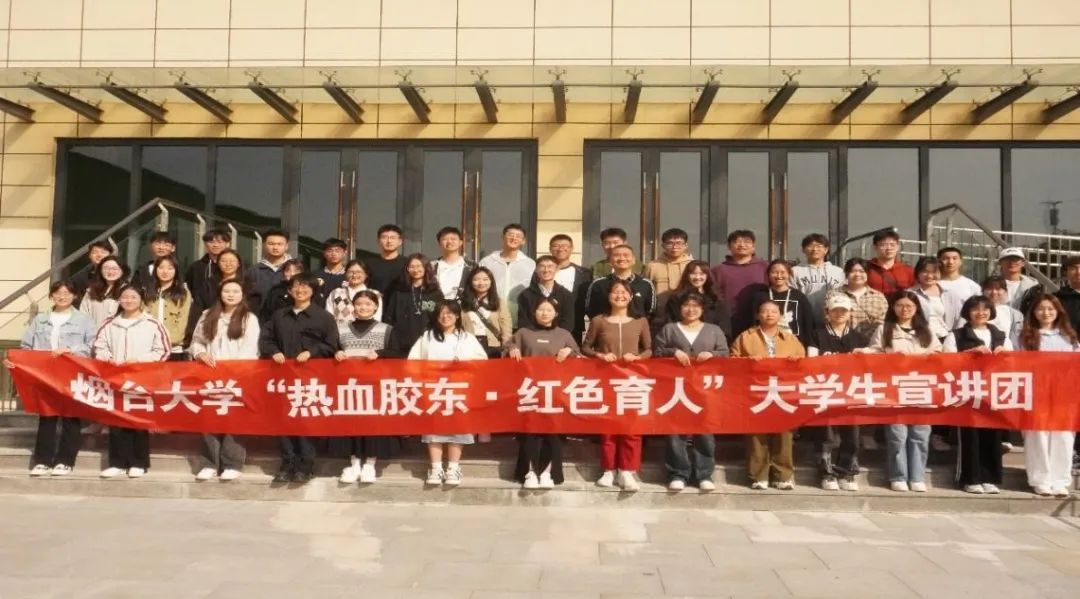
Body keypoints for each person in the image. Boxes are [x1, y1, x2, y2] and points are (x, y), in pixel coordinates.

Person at [258, 273, 340, 484]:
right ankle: (287, 463)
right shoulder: (279, 315)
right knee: (283, 421)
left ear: (313, 291)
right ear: (289, 291)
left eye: (305, 287)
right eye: (296, 286)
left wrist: (311, 352)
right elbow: (266, 339)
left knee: (306, 421)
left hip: (310, 379)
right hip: (282, 377)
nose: (300, 290)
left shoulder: (324, 317)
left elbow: (331, 345)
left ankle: (306, 465)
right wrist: (274, 351)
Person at [8, 281, 95, 477]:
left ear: (75, 296)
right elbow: (26, 346)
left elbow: (91, 346)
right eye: (57, 293)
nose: (62, 296)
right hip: (45, 375)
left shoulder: (84, 320)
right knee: (47, 417)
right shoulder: (40, 319)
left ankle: (65, 461)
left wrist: (71, 350)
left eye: (67, 293)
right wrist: (20, 362)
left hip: (72, 373)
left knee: (71, 418)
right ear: (51, 296)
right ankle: (42, 461)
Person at [653, 292, 730, 492]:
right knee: (675, 431)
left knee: (705, 430)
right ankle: (678, 473)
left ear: (702, 309)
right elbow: (656, 351)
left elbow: (725, 354)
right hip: (676, 388)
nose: (691, 309)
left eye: (696, 306)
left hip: (705, 388)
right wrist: (673, 352)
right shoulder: (669, 329)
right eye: (686, 305)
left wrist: (711, 354)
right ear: (680, 309)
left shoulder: (713, 330)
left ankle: (704, 474)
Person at [867, 290, 942, 492]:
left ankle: (917, 476)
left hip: (921, 388)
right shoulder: (884, 329)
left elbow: (939, 355)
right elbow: (874, 352)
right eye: (900, 305)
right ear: (893, 308)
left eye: (909, 306)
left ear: (917, 308)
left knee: (920, 434)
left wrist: (924, 359)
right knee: (897, 434)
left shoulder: (927, 331)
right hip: (894, 389)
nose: (904, 309)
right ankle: (898, 475)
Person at [581, 280, 651, 492]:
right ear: (609, 296)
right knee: (608, 428)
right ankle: (609, 469)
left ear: (631, 297)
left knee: (632, 428)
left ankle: (627, 470)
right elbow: (586, 347)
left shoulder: (640, 321)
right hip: (606, 379)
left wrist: (637, 357)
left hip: (632, 381)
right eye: (615, 292)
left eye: (624, 292)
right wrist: (600, 355)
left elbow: (649, 349)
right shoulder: (598, 321)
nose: (619, 295)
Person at [408, 299, 488, 486]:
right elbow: (413, 360)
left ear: (457, 315)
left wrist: (465, 364)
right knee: (433, 428)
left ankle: (453, 467)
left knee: (457, 428)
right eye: (441, 313)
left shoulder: (467, 338)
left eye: (450, 313)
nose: (445, 316)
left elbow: (482, 361)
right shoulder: (427, 337)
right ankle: (435, 467)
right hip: (434, 389)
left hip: (459, 389)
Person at [94, 284, 169, 479]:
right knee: (116, 420)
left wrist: (140, 361)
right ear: (119, 300)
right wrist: (107, 359)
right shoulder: (110, 323)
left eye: (133, 297)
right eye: (125, 297)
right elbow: (99, 346)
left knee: (138, 420)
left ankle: (139, 462)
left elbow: (162, 351)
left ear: (141, 300)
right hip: (115, 378)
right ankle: (117, 462)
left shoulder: (152, 323)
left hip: (142, 379)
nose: (129, 300)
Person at [188, 280, 259, 482]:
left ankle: (232, 463)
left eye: (236, 291)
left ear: (242, 294)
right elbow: (196, 342)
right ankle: (209, 463)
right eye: (227, 291)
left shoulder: (249, 318)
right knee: (209, 418)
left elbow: (251, 349)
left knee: (235, 419)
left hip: (238, 377)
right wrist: (200, 353)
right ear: (220, 293)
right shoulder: (207, 315)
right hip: (210, 376)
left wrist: (233, 370)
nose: (231, 294)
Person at [506, 297, 581, 489]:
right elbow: (506, 348)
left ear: (556, 314)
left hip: (555, 392)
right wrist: (512, 349)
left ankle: (548, 472)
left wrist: (569, 352)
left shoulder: (564, 334)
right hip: (530, 391)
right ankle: (530, 472)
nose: (545, 313)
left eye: (549, 310)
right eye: (541, 309)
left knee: (553, 433)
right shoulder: (523, 333)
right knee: (529, 432)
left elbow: (579, 357)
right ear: (534, 313)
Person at [731, 300, 805, 490]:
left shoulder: (790, 339)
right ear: (758, 315)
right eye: (764, 311)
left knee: (784, 434)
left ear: (780, 315)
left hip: (784, 392)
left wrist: (796, 361)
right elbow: (732, 361)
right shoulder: (746, 337)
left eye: (774, 311)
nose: (769, 314)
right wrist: (747, 362)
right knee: (756, 435)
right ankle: (758, 475)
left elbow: (804, 363)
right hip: (755, 392)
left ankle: (783, 475)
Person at [942, 295, 1012, 494]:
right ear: (967, 312)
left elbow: (1013, 362)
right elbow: (946, 361)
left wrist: (1004, 355)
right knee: (970, 436)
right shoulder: (957, 335)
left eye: (985, 309)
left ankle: (989, 478)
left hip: (993, 392)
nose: (981, 313)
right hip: (967, 392)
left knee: (993, 436)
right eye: (976, 309)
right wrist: (970, 353)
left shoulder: (1000, 335)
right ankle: (970, 478)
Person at [332, 290, 401, 484]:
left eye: (368, 304)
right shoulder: (340, 329)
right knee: (350, 424)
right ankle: (353, 464)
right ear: (353, 306)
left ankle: (370, 464)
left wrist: (381, 354)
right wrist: (336, 353)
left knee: (374, 425)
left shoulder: (387, 329)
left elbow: (398, 353)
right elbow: (330, 349)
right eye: (359, 303)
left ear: (376, 307)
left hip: (376, 387)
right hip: (348, 386)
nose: (363, 307)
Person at [805, 294, 870, 491]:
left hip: (852, 391)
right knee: (826, 435)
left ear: (850, 313)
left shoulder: (859, 338)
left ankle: (847, 472)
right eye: (835, 310)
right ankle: (826, 473)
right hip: (825, 390)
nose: (839, 314)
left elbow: (868, 365)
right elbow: (812, 362)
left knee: (852, 434)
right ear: (827, 313)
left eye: (844, 310)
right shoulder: (817, 335)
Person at [1017, 294, 1079, 497]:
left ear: (1058, 311)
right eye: (1041, 309)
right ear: (1034, 312)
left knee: (1063, 436)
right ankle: (1040, 479)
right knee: (1038, 435)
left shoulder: (1069, 337)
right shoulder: (1025, 337)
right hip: (1036, 392)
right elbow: (1017, 364)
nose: (1046, 313)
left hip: (1064, 394)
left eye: (1050, 309)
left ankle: (1060, 480)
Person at [710, 230, 768, 337]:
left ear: (754, 246)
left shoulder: (765, 268)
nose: (741, 245)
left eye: (746, 242)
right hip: (728, 322)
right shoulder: (718, 270)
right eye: (736, 242)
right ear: (729, 246)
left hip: (758, 320)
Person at [384, 254, 444, 355]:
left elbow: (440, 318)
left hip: (427, 342)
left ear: (426, 268)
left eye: (419, 266)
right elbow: (388, 318)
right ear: (407, 269)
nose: (415, 270)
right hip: (400, 344)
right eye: (412, 266)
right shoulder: (398, 292)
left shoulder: (435, 293)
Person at [479, 223, 535, 328]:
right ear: (502, 237)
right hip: (491, 314)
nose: (514, 238)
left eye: (518, 236)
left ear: (523, 241)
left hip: (520, 316)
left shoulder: (530, 264)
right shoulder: (487, 261)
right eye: (510, 235)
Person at [659, 260, 732, 340]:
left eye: (701, 274)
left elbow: (724, 328)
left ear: (707, 276)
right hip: (682, 342)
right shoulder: (676, 299)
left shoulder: (716, 299)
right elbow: (671, 324)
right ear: (687, 275)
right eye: (693, 273)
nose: (697, 277)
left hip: (711, 343)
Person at [185, 248, 243, 346]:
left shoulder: (248, 284)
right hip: (212, 329)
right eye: (223, 261)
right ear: (218, 264)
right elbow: (198, 308)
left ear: (238, 264)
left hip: (240, 328)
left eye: (232, 261)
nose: (228, 264)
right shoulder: (208, 284)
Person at [749, 259, 814, 346]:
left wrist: (809, 346)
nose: (779, 276)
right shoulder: (760, 296)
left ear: (789, 274)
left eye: (783, 272)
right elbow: (753, 323)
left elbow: (808, 323)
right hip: (765, 344)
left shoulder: (799, 296)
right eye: (774, 272)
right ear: (768, 275)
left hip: (794, 345)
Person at [584, 245, 656, 320]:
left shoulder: (646, 284)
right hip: (606, 326)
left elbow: (651, 311)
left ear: (634, 260)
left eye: (626, 255)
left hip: (637, 326)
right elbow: (590, 310)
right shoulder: (598, 284)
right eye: (617, 255)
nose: (622, 258)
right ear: (610, 261)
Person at [143, 255, 192, 359]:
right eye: (161, 267)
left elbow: (183, 320)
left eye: (170, 268)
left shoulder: (183, 293)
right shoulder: (147, 291)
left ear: (176, 271)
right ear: (155, 270)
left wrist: (167, 340)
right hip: (149, 348)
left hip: (174, 349)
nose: (165, 271)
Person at [792, 233, 845, 327]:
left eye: (819, 246)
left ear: (826, 250)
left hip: (833, 320)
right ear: (803, 249)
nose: (814, 249)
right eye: (810, 246)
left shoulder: (838, 271)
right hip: (804, 320)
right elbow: (792, 297)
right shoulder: (795, 271)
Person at [826, 258, 888, 337]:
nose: (857, 274)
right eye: (853, 271)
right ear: (846, 274)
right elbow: (827, 319)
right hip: (840, 339)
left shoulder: (878, 297)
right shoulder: (834, 294)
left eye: (862, 271)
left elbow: (883, 322)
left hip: (871, 341)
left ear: (867, 274)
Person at [460, 266, 512, 358]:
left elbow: (506, 326)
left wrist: (507, 346)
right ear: (470, 282)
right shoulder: (463, 303)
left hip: (492, 345)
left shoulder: (499, 302)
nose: (481, 283)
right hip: (469, 344)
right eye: (476, 279)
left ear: (491, 282)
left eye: (485, 279)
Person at [908, 256, 963, 342]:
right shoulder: (909, 294)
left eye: (934, 272)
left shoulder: (949, 294)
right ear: (917, 273)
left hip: (945, 337)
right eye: (925, 272)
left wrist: (955, 339)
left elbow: (959, 319)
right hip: (918, 339)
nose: (929, 276)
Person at [549, 234, 592, 342]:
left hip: (574, 325)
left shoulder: (584, 273)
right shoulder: (542, 271)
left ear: (571, 248)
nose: (560, 249)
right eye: (556, 246)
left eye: (565, 246)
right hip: (546, 323)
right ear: (550, 249)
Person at [517, 255, 575, 332]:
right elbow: (523, 321)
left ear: (557, 269)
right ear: (536, 270)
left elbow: (568, 322)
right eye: (542, 266)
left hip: (559, 337)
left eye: (550, 266)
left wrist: (555, 336)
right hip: (532, 337)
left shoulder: (566, 295)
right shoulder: (525, 295)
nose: (546, 270)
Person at [185, 227, 232, 314]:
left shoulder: (232, 266)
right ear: (205, 244)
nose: (215, 245)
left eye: (219, 242)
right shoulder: (196, 267)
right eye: (211, 242)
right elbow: (188, 289)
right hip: (200, 311)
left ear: (227, 244)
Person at [244, 228, 292, 313]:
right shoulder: (254, 271)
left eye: (280, 244)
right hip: (260, 318)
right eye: (271, 244)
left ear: (287, 246)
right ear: (264, 245)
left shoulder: (297, 270)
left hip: (288, 317)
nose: (275, 247)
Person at [326, 259, 383, 324]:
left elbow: (377, 319)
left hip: (368, 330)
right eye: (351, 272)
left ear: (366, 274)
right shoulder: (335, 293)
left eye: (359, 272)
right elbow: (329, 318)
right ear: (345, 274)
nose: (354, 275)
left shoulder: (375, 294)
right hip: (339, 330)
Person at [79, 255, 128, 329]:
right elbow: (83, 315)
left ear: (122, 271)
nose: (110, 272)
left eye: (115, 269)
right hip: (93, 333)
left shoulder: (128, 291)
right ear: (100, 270)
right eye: (106, 268)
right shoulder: (91, 291)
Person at [643, 227, 694, 295]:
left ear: (686, 245)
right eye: (670, 243)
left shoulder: (692, 265)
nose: (674, 247)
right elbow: (644, 290)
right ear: (663, 245)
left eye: (679, 243)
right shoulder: (652, 266)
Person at [361, 224, 408, 296]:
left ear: (400, 241)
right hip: (374, 301)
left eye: (393, 238)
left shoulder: (407, 263)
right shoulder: (368, 263)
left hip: (400, 302)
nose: (389, 241)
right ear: (378, 241)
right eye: (384, 237)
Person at [258, 259, 310, 323]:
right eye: (288, 270)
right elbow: (265, 314)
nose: (292, 274)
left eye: (296, 271)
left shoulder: (308, 290)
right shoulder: (275, 291)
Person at [431, 226, 476, 300]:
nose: (449, 242)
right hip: (438, 305)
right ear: (439, 243)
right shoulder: (431, 266)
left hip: (464, 305)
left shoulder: (472, 266)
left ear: (460, 242)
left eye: (453, 239)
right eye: (445, 239)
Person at [866, 230, 915, 296]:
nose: (889, 248)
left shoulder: (908, 270)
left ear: (898, 247)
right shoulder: (866, 268)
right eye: (883, 245)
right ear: (875, 247)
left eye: (892, 245)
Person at [983, 276, 1024, 341]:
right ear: (983, 291)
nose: (994, 292)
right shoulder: (976, 311)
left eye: (998, 289)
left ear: (1005, 291)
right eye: (990, 288)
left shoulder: (1015, 314)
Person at [997, 247, 1038, 311]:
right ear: (1000, 263)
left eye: (1016, 259)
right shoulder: (991, 285)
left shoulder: (1033, 286)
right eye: (1007, 259)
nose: (1012, 262)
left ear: (1023, 263)